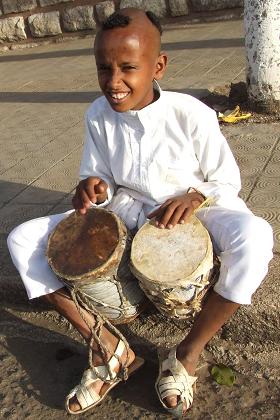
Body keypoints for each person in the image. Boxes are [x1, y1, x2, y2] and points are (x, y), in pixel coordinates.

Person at [7, 7, 273, 418]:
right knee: (21, 239)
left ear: (158, 66)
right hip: (128, 214)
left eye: (128, 68)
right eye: (104, 69)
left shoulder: (193, 114)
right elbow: (97, 177)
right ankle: (110, 350)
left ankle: (187, 353)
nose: (114, 82)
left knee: (255, 238)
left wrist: (194, 196)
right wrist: (94, 187)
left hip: (198, 212)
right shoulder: (97, 114)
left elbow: (226, 180)